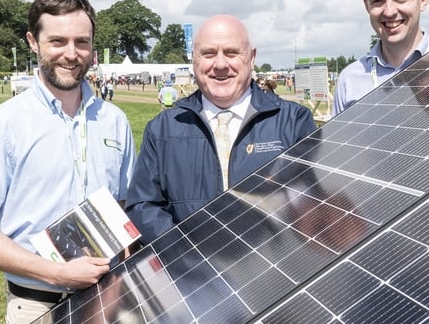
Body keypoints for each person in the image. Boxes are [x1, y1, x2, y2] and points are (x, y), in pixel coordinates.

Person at [0, 0, 138, 324]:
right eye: (57, 41)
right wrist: (54, 272)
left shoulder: (115, 120)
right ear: (33, 42)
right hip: (36, 305)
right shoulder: (1, 125)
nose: (71, 54)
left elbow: (125, 206)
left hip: (108, 299)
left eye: (81, 42)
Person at [125, 14, 317, 243]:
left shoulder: (293, 122)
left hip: (277, 269)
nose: (220, 64)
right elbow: (142, 206)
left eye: (231, 52)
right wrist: (185, 254)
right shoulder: (162, 129)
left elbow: (313, 200)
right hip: (188, 274)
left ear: (252, 57)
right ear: (194, 59)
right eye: (208, 53)